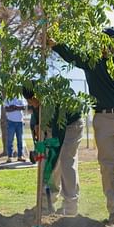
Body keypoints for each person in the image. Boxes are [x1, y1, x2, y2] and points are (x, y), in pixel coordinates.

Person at [50, 27, 114, 225]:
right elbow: (72, 56)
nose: (108, 45)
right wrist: (55, 44)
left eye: (111, 41)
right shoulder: (91, 60)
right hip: (103, 119)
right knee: (107, 166)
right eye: (104, 41)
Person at [23, 86, 84, 216]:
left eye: (31, 101)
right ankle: (45, 205)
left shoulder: (55, 103)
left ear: (38, 96)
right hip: (52, 128)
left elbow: (58, 139)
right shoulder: (36, 104)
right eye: (28, 102)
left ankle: (70, 206)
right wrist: (39, 150)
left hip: (71, 126)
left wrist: (49, 166)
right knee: (49, 165)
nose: (30, 104)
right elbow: (38, 135)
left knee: (66, 163)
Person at [3, 95, 27, 162]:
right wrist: (17, 107)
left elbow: (24, 107)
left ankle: (20, 156)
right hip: (10, 121)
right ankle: (9, 157)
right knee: (10, 140)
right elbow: (6, 109)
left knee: (20, 140)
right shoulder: (8, 97)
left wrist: (14, 107)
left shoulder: (21, 97)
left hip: (20, 122)